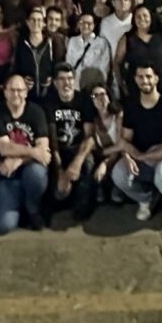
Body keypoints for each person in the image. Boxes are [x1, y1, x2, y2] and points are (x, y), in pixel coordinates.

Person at [112, 63, 162, 226]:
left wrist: (143, 156)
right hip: (142, 158)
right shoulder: (131, 106)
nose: (145, 80)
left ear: (156, 79)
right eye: (140, 77)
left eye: (149, 76)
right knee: (119, 173)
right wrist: (127, 157)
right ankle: (146, 199)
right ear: (135, 79)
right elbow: (125, 140)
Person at [0, 74, 51, 234]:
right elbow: (4, 148)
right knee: (6, 225)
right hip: (4, 171)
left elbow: (43, 149)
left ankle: (32, 207)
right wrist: (31, 151)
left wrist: (18, 161)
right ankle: (16, 203)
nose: (16, 94)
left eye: (20, 90)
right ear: (5, 92)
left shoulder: (36, 112)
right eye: (12, 90)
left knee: (37, 173)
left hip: (26, 169)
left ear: (26, 92)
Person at [45, 63, 97, 220]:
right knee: (58, 194)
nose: (66, 83)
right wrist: (60, 171)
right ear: (55, 83)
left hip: (79, 149)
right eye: (61, 79)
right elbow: (52, 142)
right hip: (58, 151)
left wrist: (77, 162)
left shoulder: (84, 100)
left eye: (70, 79)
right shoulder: (49, 102)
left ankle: (82, 207)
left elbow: (90, 137)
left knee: (87, 164)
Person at [116, 5, 162, 99]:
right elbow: (117, 63)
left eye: (145, 15)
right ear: (134, 19)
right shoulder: (127, 39)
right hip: (136, 91)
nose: (142, 19)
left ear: (151, 17)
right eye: (138, 16)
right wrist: (121, 84)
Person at [88, 83, 123, 202]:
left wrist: (105, 163)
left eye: (103, 94)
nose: (100, 98)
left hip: (118, 155)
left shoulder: (118, 116)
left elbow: (120, 145)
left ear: (109, 97)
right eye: (95, 96)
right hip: (100, 156)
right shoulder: (91, 120)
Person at [13, 8, 57, 101]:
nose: (36, 23)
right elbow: (16, 67)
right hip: (27, 95)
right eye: (33, 20)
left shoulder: (52, 43)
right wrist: (22, 79)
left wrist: (52, 78)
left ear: (44, 23)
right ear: (27, 22)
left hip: (48, 94)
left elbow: (57, 65)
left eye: (39, 20)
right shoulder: (21, 44)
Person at [65, 12, 113, 92]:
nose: (85, 26)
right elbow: (68, 63)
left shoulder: (102, 43)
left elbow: (104, 67)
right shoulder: (73, 41)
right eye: (82, 23)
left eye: (89, 23)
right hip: (75, 84)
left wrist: (100, 84)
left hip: (94, 83)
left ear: (94, 25)